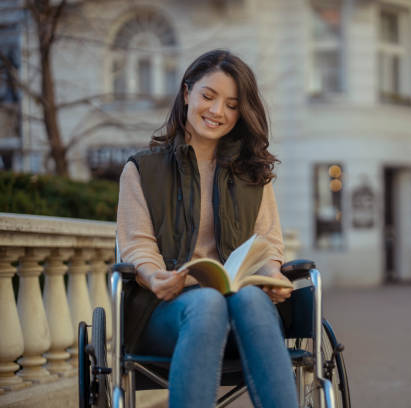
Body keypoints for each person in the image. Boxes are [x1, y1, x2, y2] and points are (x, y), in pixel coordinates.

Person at [117, 49, 298, 408]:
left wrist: (273, 278)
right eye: (208, 96)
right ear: (187, 94)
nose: (217, 112)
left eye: (232, 104)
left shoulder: (254, 175)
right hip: (167, 314)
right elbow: (137, 246)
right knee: (208, 303)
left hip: (243, 314)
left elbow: (267, 246)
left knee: (248, 297)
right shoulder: (141, 170)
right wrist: (155, 278)